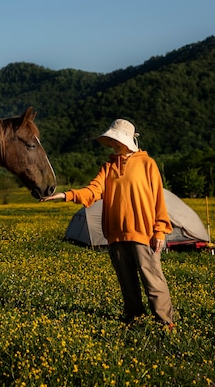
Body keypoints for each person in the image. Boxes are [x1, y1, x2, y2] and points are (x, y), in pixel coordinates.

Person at [40, 119, 175, 327]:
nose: (112, 144)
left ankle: (166, 323)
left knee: (153, 282)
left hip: (143, 233)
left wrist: (160, 231)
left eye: (115, 140)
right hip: (115, 236)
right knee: (127, 283)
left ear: (126, 141)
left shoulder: (148, 164)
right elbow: (92, 191)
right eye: (111, 140)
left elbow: (159, 199)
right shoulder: (108, 167)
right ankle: (134, 320)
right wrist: (64, 196)